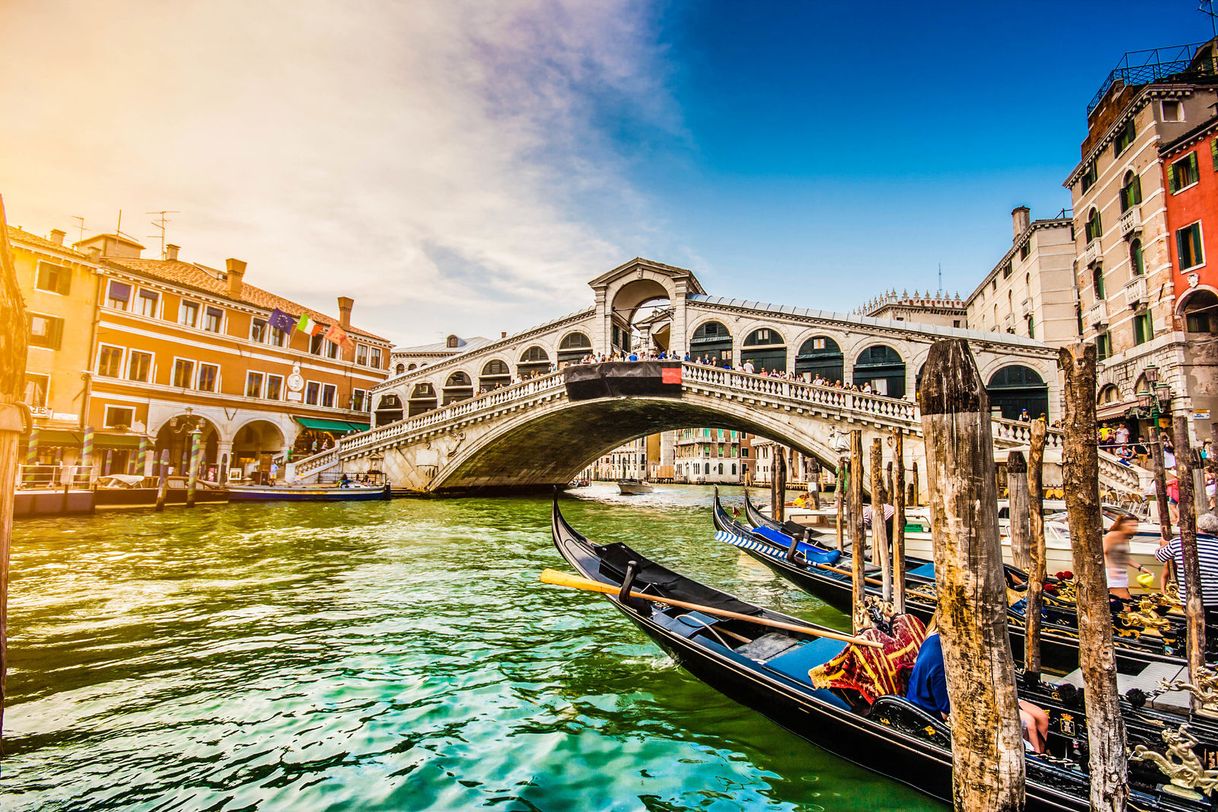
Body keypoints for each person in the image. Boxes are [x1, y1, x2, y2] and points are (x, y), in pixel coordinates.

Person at [906, 626, 1049, 752]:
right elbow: (946, 709)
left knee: (1041, 717)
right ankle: (1036, 761)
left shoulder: (950, 644)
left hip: (980, 695)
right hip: (937, 713)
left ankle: (1039, 756)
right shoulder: (939, 654)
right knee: (1029, 722)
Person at [1155, 511, 1218, 624]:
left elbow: (1159, 557)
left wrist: (1163, 545)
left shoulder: (1179, 542)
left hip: (1189, 599)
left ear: (1198, 527)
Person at [1104, 514, 1148, 599]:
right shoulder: (1111, 535)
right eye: (1131, 525)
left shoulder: (1125, 538)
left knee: (1118, 601)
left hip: (1122, 573)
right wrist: (1111, 569)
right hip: (1113, 573)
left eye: (1135, 526)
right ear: (1122, 525)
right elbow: (1105, 553)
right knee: (1126, 601)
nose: (1133, 528)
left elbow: (1124, 557)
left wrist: (1141, 568)